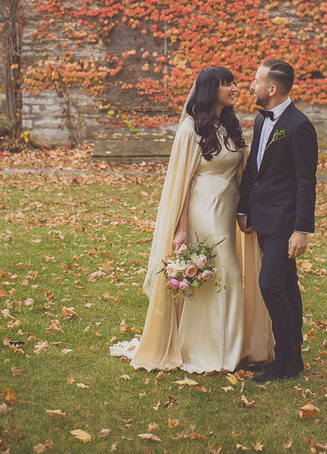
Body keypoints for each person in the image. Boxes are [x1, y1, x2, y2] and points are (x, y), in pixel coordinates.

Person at [110, 66, 273, 372]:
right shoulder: (191, 131)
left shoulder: (228, 126)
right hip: (204, 211)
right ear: (211, 90)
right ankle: (210, 350)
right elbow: (181, 183)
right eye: (228, 84)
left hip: (228, 210)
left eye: (235, 82)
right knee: (223, 273)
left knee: (228, 276)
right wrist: (181, 228)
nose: (236, 88)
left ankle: (233, 346)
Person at [237, 59, 317, 382]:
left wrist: (301, 229)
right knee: (286, 284)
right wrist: (244, 208)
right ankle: (292, 357)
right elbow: (254, 170)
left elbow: (305, 181)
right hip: (262, 218)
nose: (251, 86)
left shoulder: (299, 126)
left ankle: (285, 358)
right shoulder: (260, 121)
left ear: (271, 89)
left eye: (255, 81)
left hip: (285, 223)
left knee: (270, 285)